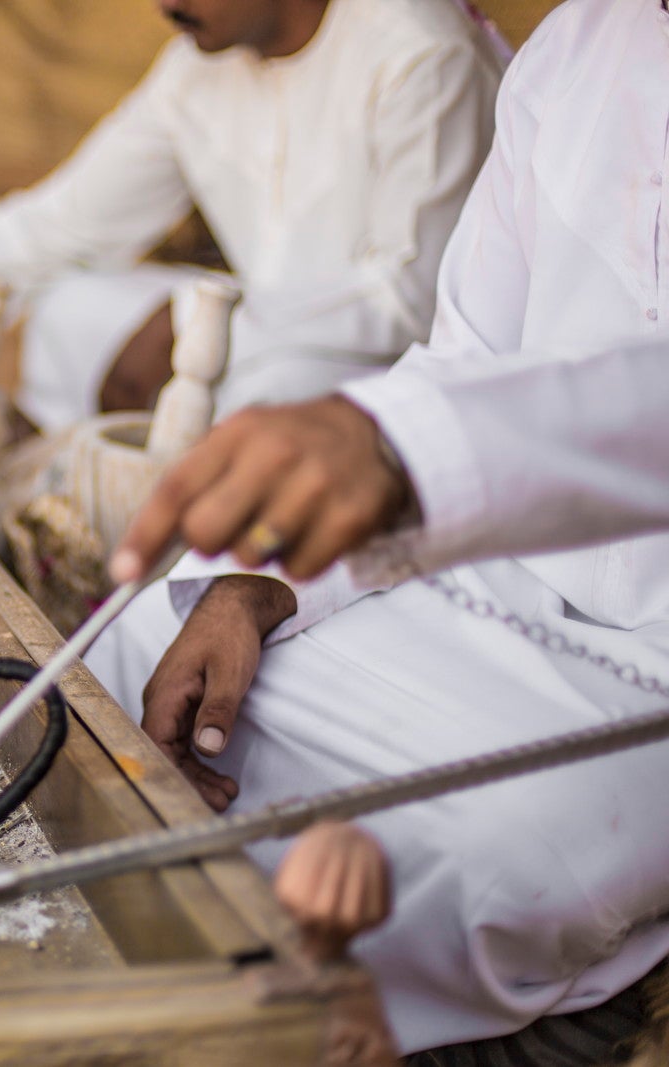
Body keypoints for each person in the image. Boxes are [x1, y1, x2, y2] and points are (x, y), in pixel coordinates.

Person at [87, 0, 669, 1054]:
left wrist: (404, 445)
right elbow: (464, 358)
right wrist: (264, 582)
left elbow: (459, 423)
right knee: (126, 660)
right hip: (502, 574)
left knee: (471, 856)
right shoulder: (583, 43)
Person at [0, 0, 507, 433]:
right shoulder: (196, 67)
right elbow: (66, 223)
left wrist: (204, 321)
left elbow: (411, 300)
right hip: (257, 324)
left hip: (396, 367)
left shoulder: (422, 51)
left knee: (271, 401)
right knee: (69, 307)